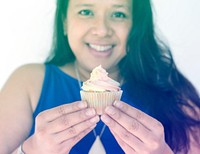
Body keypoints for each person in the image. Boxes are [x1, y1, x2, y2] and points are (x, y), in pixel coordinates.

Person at [0, 0, 200, 153]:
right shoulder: (28, 82)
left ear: (136, 26)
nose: (102, 30)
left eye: (118, 14)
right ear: (64, 21)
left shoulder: (173, 91)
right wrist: (30, 150)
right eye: (86, 11)